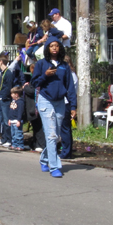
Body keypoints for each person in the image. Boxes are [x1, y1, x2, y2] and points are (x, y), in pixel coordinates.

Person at [30, 38, 77, 178]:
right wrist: (45, 75)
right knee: (51, 135)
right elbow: (34, 82)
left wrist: (73, 106)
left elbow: (70, 87)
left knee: (55, 137)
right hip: (45, 100)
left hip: (60, 102)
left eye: (57, 46)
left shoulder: (64, 66)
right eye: (51, 46)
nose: (54, 48)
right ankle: (54, 166)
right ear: (47, 48)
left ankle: (44, 159)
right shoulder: (41, 64)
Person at [0, 55, 16, 147]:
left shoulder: (8, 73)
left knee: (6, 120)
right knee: (2, 120)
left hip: (5, 99)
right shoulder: (2, 72)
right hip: (0, 98)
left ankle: (9, 139)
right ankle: (4, 138)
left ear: (1, 61)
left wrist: (3, 96)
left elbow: (8, 87)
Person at [7, 86, 26, 150]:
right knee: (13, 134)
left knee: (18, 134)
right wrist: (9, 119)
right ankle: (14, 144)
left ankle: (20, 145)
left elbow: (20, 112)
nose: (11, 95)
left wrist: (19, 120)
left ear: (16, 94)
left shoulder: (20, 102)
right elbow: (10, 111)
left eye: (12, 94)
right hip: (12, 120)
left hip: (17, 121)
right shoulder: (13, 101)